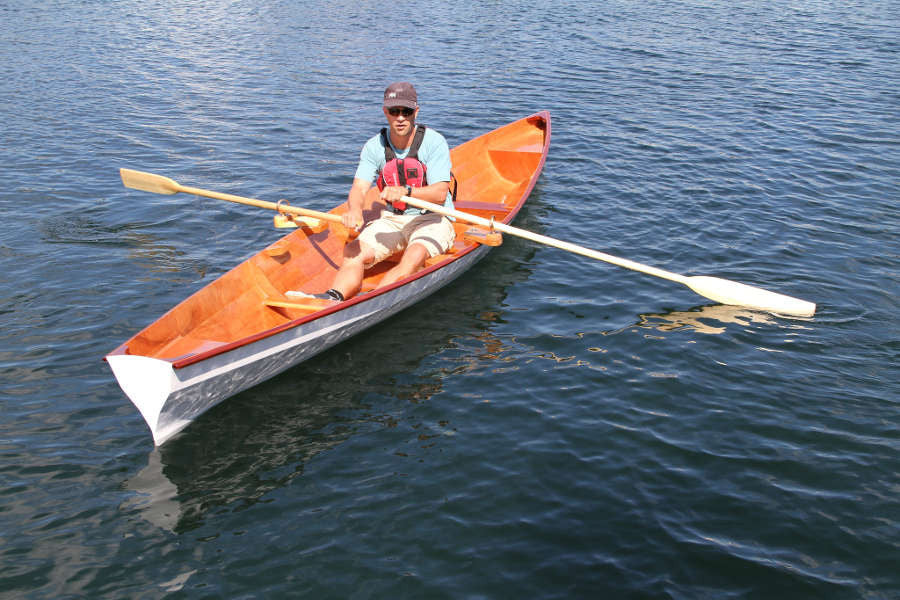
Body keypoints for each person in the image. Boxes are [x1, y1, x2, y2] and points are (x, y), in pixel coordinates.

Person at [288, 82, 456, 302]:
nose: (400, 118)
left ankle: (371, 301)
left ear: (416, 112)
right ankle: (334, 298)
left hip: (432, 218)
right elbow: (359, 187)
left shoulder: (434, 142)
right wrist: (355, 210)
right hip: (393, 219)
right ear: (385, 112)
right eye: (394, 111)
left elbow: (440, 194)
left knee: (413, 257)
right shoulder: (373, 146)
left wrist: (405, 191)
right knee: (352, 253)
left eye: (406, 111)